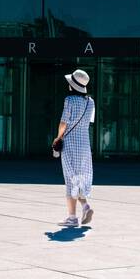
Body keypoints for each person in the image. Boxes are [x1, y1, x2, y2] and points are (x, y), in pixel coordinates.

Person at [53, 68, 95, 228]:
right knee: (79, 178)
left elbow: (64, 122)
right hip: (84, 144)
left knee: (71, 179)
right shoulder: (91, 102)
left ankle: (72, 217)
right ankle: (85, 206)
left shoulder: (69, 100)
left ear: (73, 86)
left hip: (70, 142)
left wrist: (58, 137)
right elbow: (89, 122)